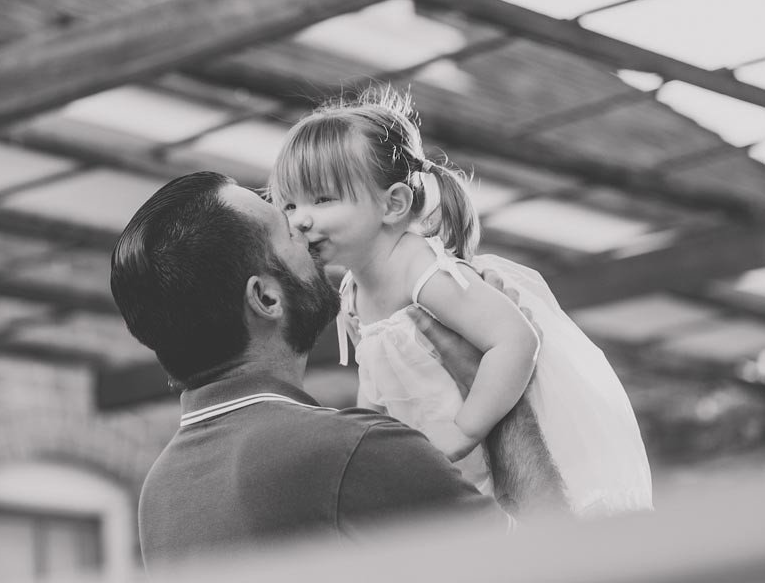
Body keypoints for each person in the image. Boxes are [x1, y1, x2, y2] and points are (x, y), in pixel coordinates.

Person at [110, 171, 567, 567]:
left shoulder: (161, 493)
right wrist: (496, 374)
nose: (305, 231)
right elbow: (565, 563)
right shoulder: (351, 451)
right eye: (286, 232)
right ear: (266, 299)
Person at [267, 87, 653, 517]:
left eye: (322, 199)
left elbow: (516, 341)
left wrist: (465, 430)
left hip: (483, 436)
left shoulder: (421, 270)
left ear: (393, 204)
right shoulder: (353, 293)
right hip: (444, 461)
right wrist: (371, 442)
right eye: (289, 203)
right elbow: (375, 384)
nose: (300, 218)